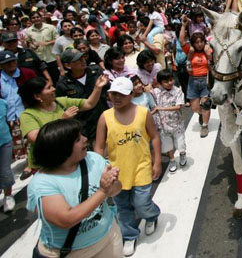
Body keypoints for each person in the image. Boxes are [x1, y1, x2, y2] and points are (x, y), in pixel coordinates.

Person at [26, 119, 123, 257]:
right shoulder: (42, 184)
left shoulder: (93, 159)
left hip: (108, 239)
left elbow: (117, 189)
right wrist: (103, 191)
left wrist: (113, 183)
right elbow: (66, 219)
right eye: (78, 139)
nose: (85, 139)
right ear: (61, 149)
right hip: (70, 252)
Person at [94, 77, 162, 257]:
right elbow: (99, 146)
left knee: (141, 202)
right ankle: (129, 234)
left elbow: (154, 137)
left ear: (131, 94)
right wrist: (100, 169)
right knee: (122, 207)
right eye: (113, 94)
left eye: (122, 94)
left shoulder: (142, 112)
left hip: (141, 167)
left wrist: (156, 162)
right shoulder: (105, 117)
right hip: (117, 173)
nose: (117, 98)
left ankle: (151, 215)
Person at [19, 74, 109, 170]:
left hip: (68, 159)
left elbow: (89, 104)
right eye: (48, 88)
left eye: (52, 86)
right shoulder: (28, 115)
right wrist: (62, 121)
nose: (53, 89)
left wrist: (97, 87)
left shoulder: (60, 102)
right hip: (46, 165)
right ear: (37, 96)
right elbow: (35, 138)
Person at [56, 48, 109, 145]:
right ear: (68, 65)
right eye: (78, 60)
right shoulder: (63, 84)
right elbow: (61, 107)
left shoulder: (96, 71)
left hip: (103, 121)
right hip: (83, 129)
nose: (83, 61)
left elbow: (108, 91)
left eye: (83, 58)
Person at [179, 25, 212, 138]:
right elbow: (182, 40)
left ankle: (205, 126)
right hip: (192, 81)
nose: (199, 44)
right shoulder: (190, 51)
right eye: (197, 42)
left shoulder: (207, 50)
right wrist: (183, 25)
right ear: (193, 43)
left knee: (206, 104)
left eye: (201, 41)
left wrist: (209, 56)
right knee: (195, 108)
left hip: (205, 80)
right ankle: (201, 114)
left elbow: (214, 61)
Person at [151, 70, 185, 173]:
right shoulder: (155, 92)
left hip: (177, 124)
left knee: (180, 144)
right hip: (162, 125)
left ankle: (182, 155)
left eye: (171, 80)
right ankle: (172, 160)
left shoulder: (178, 91)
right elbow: (145, 92)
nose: (170, 83)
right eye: (166, 81)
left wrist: (160, 109)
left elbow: (178, 106)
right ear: (160, 83)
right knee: (167, 145)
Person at [25, 11, 60, 83]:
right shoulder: (29, 30)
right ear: (31, 20)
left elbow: (57, 39)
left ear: (41, 18)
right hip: (39, 58)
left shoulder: (50, 27)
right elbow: (29, 43)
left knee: (55, 78)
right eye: (33, 18)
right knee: (43, 80)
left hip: (51, 57)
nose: (36, 19)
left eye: (37, 17)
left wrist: (47, 43)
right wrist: (33, 46)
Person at [0, 98, 15, 213]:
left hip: (4, 141)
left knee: (5, 171)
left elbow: (9, 120)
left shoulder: (3, 102)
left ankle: (8, 196)